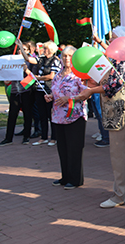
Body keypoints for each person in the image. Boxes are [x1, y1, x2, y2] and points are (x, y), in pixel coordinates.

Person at [76, 27, 125, 208]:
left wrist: (90, 90)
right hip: (119, 110)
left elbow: (113, 85)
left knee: (119, 156)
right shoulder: (122, 58)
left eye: (113, 39)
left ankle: (120, 195)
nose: (110, 42)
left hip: (119, 111)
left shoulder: (123, 60)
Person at [46, 46, 88, 189]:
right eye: (64, 56)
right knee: (62, 148)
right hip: (58, 116)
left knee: (74, 148)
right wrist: (51, 96)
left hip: (75, 116)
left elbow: (86, 94)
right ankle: (65, 177)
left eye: (70, 56)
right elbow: (56, 91)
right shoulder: (58, 74)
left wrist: (69, 98)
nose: (67, 59)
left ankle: (75, 179)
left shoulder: (80, 75)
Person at [17, 39, 61, 146]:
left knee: (51, 115)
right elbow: (28, 58)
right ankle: (44, 137)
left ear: (50, 50)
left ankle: (54, 137)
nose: (43, 50)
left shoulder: (55, 60)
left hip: (49, 90)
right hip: (39, 90)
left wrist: (38, 78)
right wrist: (21, 48)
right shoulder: (41, 59)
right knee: (42, 114)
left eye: (45, 48)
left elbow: (51, 76)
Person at [0, 42, 34, 147]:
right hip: (14, 92)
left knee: (27, 114)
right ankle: (8, 138)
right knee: (12, 115)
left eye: (24, 49)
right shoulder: (13, 61)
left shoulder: (29, 61)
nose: (20, 51)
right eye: (19, 49)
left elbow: (33, 77)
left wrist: (25, 71)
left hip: (26, 92)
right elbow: (7, 79)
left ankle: (26, 137)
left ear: (28, 51)